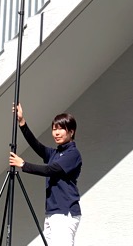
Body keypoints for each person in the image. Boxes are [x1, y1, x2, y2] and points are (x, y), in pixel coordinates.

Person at [9, 103, 82, 246]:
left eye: (61, 129)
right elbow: (36, 145)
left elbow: (51, 170)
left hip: (65, 213)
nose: (56, 133)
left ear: (71, 132)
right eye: (54, 129)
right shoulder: (55, 153)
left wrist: (23, 164)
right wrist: (22, 122)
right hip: (52, 213)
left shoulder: (73, 154)